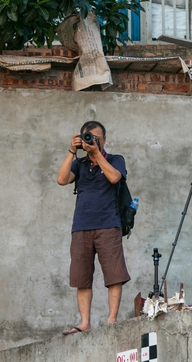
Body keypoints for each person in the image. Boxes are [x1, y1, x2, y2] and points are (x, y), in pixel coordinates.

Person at [57, 120, 130, 334]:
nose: (92, 141)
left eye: (97, 138)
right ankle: (84, 322)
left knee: (114, 273)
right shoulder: (79, 164)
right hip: (81, 226)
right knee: (81, 276)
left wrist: (97, 153)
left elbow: (115, 177)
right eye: (88, 137)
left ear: (104, 139)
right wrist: (72, 150)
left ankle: (112, 319)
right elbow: (61, 180)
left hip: (108, 223)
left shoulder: (115, 159)